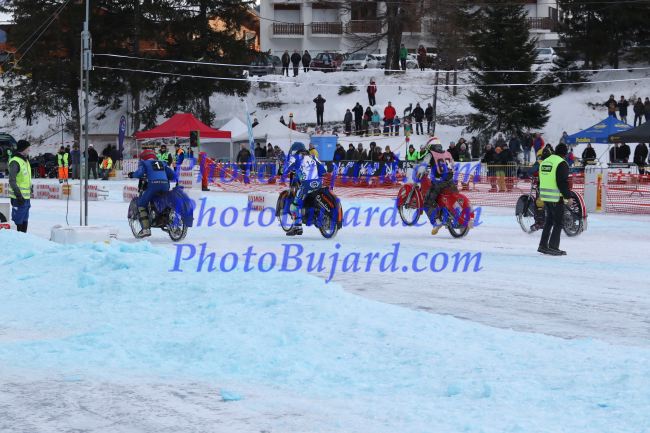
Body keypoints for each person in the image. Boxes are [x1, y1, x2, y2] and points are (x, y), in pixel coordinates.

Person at [128, 149, 177, 238]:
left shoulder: (144, 163)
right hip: (165, 185)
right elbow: (172, 175)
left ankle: (145, 229)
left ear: (143, 158)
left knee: (141, 204)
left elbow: (140, 173)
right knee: (166, 202)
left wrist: (132, 175)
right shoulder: (162, 163)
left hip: (153, 185)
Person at [284, 142, 326, 236]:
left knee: (294, 206)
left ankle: (297, 227)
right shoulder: (313, 156)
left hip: (306, 185)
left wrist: (284, 170)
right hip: (318, 183)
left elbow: (286, 168)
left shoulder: (295, 157)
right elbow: (323, 170)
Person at [538, 143, 572, 255]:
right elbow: (562, 182)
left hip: (545, 196)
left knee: (549, 221)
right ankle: (553, 247)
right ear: (565, 153)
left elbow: (541, 179)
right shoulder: (561, 163)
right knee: (558, 222)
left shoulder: (545, 161)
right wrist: (568, 197)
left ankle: (543, 245)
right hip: (555, 198)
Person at [420, 138, 457, 235]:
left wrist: (420, 172)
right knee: (454, 198)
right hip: (450, 181)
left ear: (430, 146)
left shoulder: (430, 154)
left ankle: (436, 222)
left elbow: (423, 165)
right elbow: (453, 165)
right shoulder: (448, 153)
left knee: (427, 203)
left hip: (438, 182)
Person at [8, 140, 32, 233]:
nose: (29, 150)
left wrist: (30, 187)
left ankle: (24, 239)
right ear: (23, 149)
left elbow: (25, 178)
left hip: (26, 197)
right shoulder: (15, 162)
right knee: (19, 221)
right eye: (28, 148)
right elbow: (12, 181)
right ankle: (18, 239)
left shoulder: (25, 160)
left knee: (25, 219)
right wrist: (18, 195)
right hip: (18, 198)